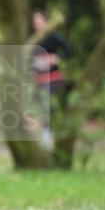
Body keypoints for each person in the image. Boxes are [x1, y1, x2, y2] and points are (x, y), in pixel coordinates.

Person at [31, 9, 73, 148]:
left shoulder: (54, 37)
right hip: (39, 79)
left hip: (53, 78)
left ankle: (50, 133)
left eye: (40, 21)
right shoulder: (33, 40)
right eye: (35, 22)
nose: (37, 25)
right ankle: (46, 132)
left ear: (46, 22)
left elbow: (70, 51)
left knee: (50, 104)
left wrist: (56, 58)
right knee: (41, 106)